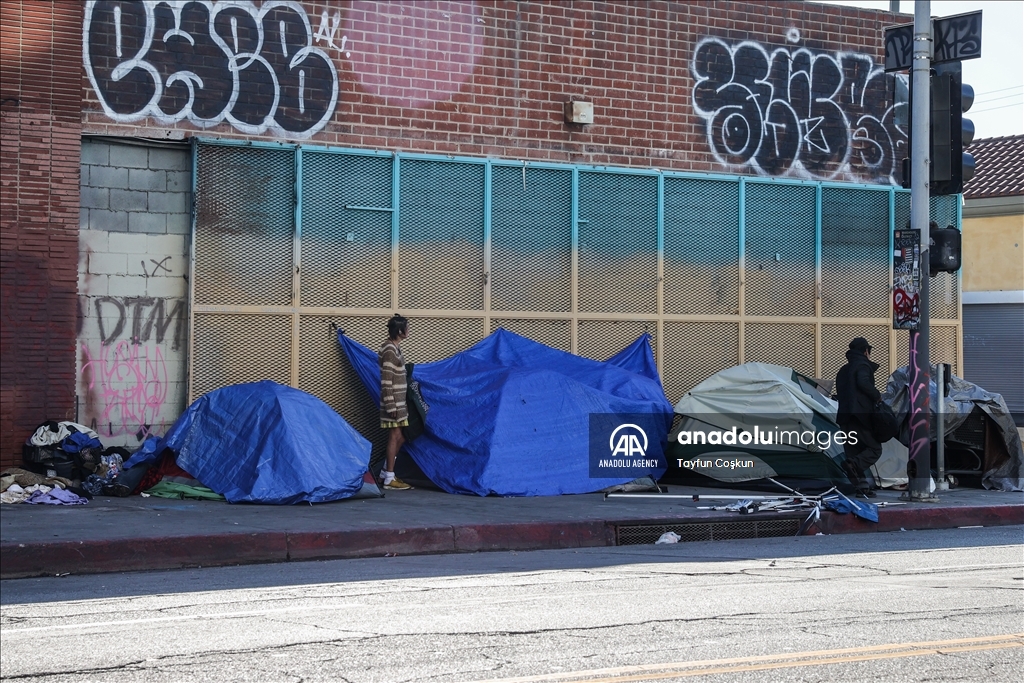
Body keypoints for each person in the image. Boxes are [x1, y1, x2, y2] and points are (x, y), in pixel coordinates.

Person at [835, 337, 882, 498]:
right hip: (860, 415)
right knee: (874, 449)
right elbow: (863, 383)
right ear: (865, 351)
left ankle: (861, 487)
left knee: (853, 451)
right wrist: (877, 396)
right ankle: (854, 467)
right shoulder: (862, 365)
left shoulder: (843, 369)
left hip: (844, 416)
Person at [378, 314, 413, 490]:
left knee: (401, 436)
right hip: (393, 403)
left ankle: (386, 471)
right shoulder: (390, 350)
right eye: (407, 328)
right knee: (394, 436)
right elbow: (386, 380)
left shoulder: (394, 348)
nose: (409, 331)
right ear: (400, 331)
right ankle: (389, 478)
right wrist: (391, 404)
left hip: (399, 402)